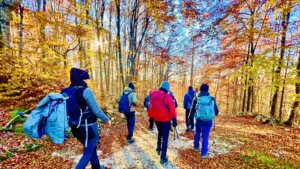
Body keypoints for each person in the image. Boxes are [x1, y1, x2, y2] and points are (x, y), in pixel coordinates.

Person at [62, 68, 111, 169]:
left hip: (75, 128)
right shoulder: (86, 91)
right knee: (88, 153)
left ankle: (96, 167)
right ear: (81, 79)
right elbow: (96, 111)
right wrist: (107, 119)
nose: (87, 81)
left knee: (91, 148)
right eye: (85, 79)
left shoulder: (66, 91)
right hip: (89, 128)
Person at [148, 81, 177, 165]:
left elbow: (150, 107)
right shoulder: (167, 96)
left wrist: (151, 118)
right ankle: (163, 158)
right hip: (165, 121)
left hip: (157, 120)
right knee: (165, 138)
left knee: (159, 133)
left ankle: (158, 148)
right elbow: (172, 109)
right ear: (167, 88)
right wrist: (174, 119)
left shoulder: (153, 95)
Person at [189, 84, 219, 158]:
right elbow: (216, 111)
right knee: (205, 136)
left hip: (199, 119)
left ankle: (196, 147)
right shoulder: (212, 99)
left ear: (200, 90)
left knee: (197, 133)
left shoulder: (196, 98)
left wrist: (190, 118)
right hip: (208, 120)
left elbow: (192, 110)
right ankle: (204, 153)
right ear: (207, 90)